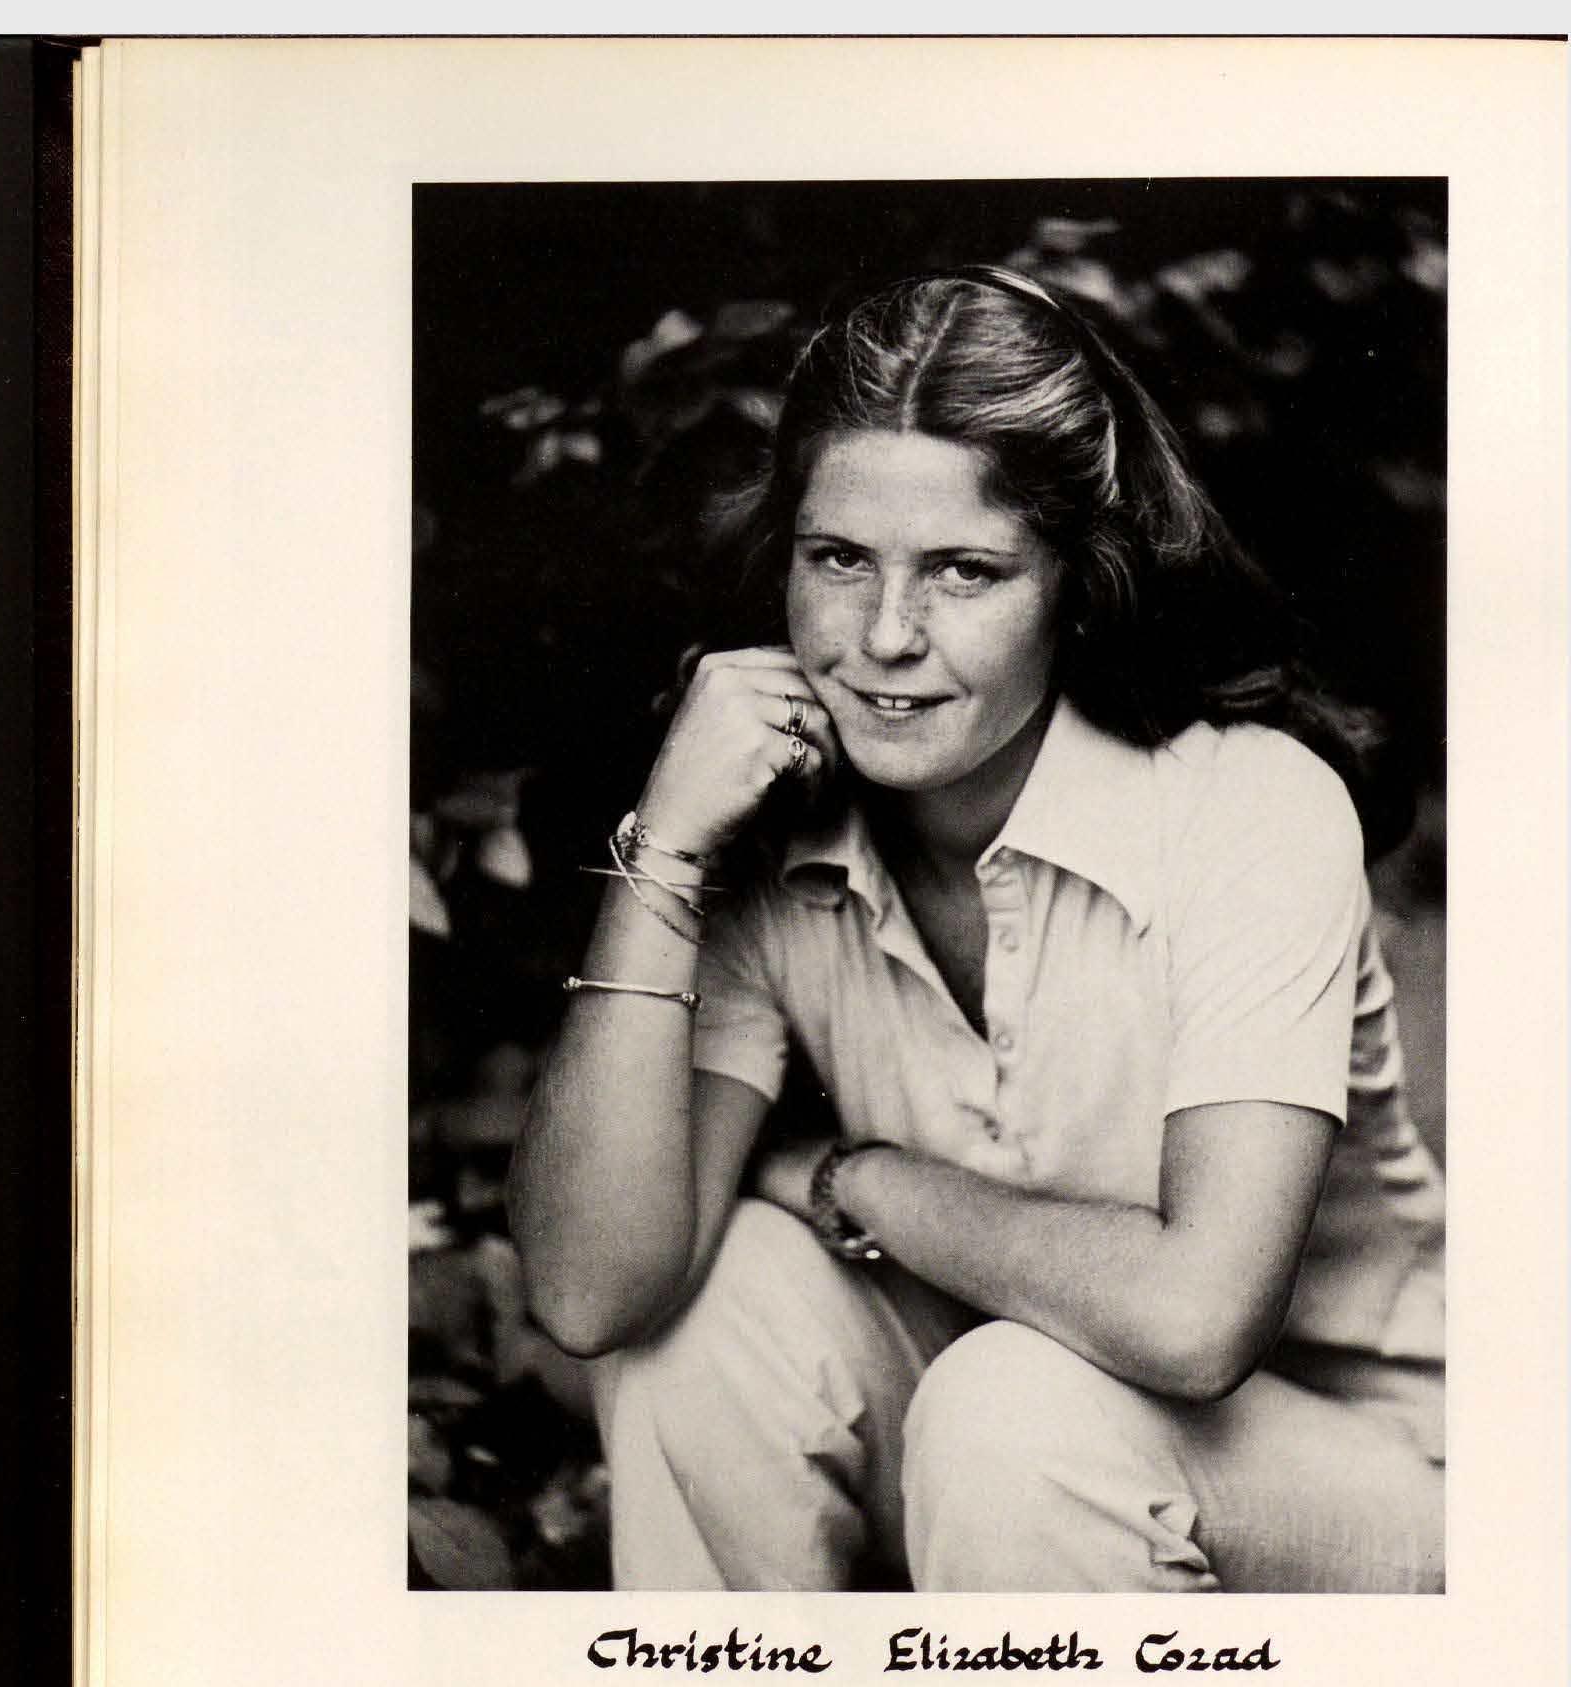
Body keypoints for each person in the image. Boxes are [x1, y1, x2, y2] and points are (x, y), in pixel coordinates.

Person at [507, 265, 1445, 1594]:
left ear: (1077, 580)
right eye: (840, 559)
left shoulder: (1248, 807)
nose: (886, 637)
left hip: (1365, 1500)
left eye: (965, 570)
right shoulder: (773, 835)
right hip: (997, 1456)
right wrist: (663, 843)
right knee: (705, 1318)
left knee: (1013, 1405)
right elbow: (591, 1294)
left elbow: (1194, 1322)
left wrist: (852, 1180)